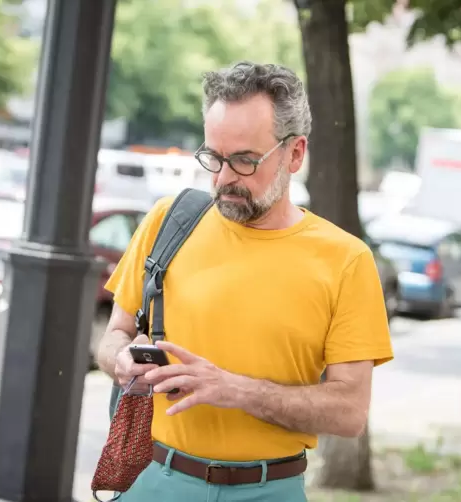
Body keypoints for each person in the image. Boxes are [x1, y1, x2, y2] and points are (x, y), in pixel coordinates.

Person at [96, 61, 394, 502]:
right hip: (155, 481)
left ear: (295, 153)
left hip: (270, 490)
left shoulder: (346, 261)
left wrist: (236, 390)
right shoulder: (167, 220)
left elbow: (350, 412)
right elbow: (113, 337)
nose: (223, 178)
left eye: (244, 161)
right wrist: (122, 361)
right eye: (213, 156)